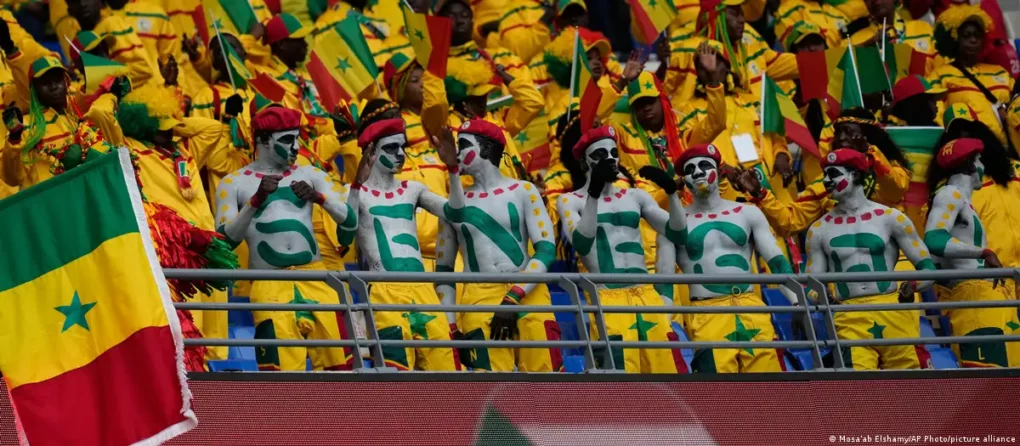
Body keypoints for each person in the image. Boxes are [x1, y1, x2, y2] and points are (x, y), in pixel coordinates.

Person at [214, 106, 353, 371]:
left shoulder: (311, 174)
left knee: (341, 372)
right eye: (288, 139)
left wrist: (319, 198)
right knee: (281, 379)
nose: (297, 147)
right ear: (263, 140)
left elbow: (349, 220)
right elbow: (224, 241)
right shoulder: (233, 183)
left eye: (297, 138)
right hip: (269, 284)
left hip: (317, 279)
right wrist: (255, 201)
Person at [557, 126, 689, 373]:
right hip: (606, 297)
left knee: (668, 373)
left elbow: (679, 235)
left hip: (647, 294)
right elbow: (581, 243)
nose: (609, 159)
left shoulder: (636, 196)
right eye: (600, 154)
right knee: (619, 377)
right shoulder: (570, 200)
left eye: (613, 153)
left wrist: (672, 193)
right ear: (585, 162)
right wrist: (593, 194)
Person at [433, 119, 561, 372]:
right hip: (479, 298)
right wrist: (452, 325)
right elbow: (444, 271)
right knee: (490, 385)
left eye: (463, 145)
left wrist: (513, 297)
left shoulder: (524, 191)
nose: (457, 152)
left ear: (487, 148)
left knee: (546, 381)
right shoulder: (451, 205)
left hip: (529, 293)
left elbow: (546, 250)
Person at [666, 143, 796, 373]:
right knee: (717, 388)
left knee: (770, 383)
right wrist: (665, 321)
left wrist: (797, 302)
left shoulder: (747, 212)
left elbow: (776, 260)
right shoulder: (674, 223)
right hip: (707, 312)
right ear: (684, 180)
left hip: (751, 307)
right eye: (690, 169)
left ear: (720, 171)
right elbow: (665, 278)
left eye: (704, 165)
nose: (698, 172)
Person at [345, 117, 460, 371]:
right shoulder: (353, 192)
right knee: (396, 375)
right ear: (371, 153)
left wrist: (453, 170)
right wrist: (355, 186)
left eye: (402, 147)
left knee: (447, 374)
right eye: (391, 147)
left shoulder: (413, 189)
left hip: (424, 289)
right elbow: (343, 237)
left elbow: (455, 213)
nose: (400, 154)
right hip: (384, 291)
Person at [805, 148, 936, 370]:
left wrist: (914, 286)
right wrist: (822, 297)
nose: (826, 180)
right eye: (824, 174)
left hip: (893, 310)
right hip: (848, 316)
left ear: (855, 175)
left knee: (910, 382)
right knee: (856, 384)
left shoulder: (892, 218)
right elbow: (811, 284)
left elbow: (928, 268)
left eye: (833, 174)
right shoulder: (818, 230)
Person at [923, 137, 1020, 367]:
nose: (983, 167)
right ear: (969, 164)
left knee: (1009, 374)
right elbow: (934, 239)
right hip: (974, 298)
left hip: (985, 296)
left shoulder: (962, 201)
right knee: (987, 376)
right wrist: (983, 253)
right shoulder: (950, 194)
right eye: (979, 161)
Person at [741, 109, 911, 238]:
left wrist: (870, 153)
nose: (841, 138)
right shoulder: (825, 183)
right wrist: (760, 194)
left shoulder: (888, 169)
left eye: (848, 132)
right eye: (838, 133)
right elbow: (790, 223)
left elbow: (896, 189)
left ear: (868, 137)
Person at [941, 102, 1020, 303]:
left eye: (971, 132)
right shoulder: (950, 188)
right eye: (957, 136)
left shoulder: (1016, 169)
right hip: (993, 279)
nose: (966, 141)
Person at [1, 56, 116, 189]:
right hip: (50, 199)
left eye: (57, 80)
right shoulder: (25, 126)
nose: (53, 87)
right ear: (34, 90)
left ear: (66, 82)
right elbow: (13, 178)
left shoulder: (76, 115)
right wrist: (14, 138)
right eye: (45, 83)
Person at [929, 5, 1013, 146]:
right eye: (966, 35)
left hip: (1007, 151)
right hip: (969, 151)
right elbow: (934, 115)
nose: (973, 40)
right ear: (954, 38)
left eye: (977, 35)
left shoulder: (1000, 72)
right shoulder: (941, 75)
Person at [66, 0, 165, 89]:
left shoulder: (111, 24)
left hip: (141, 99)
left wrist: (103, 84)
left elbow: (141, 70)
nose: (83, 4)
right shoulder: (80, 39)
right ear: (69, 9)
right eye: (75, 1)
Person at [774, 0, 849, 50]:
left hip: (840, 65)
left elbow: (847, 38)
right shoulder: (788, 8)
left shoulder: (838, 14)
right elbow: (796, 44)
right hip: (811, 65)